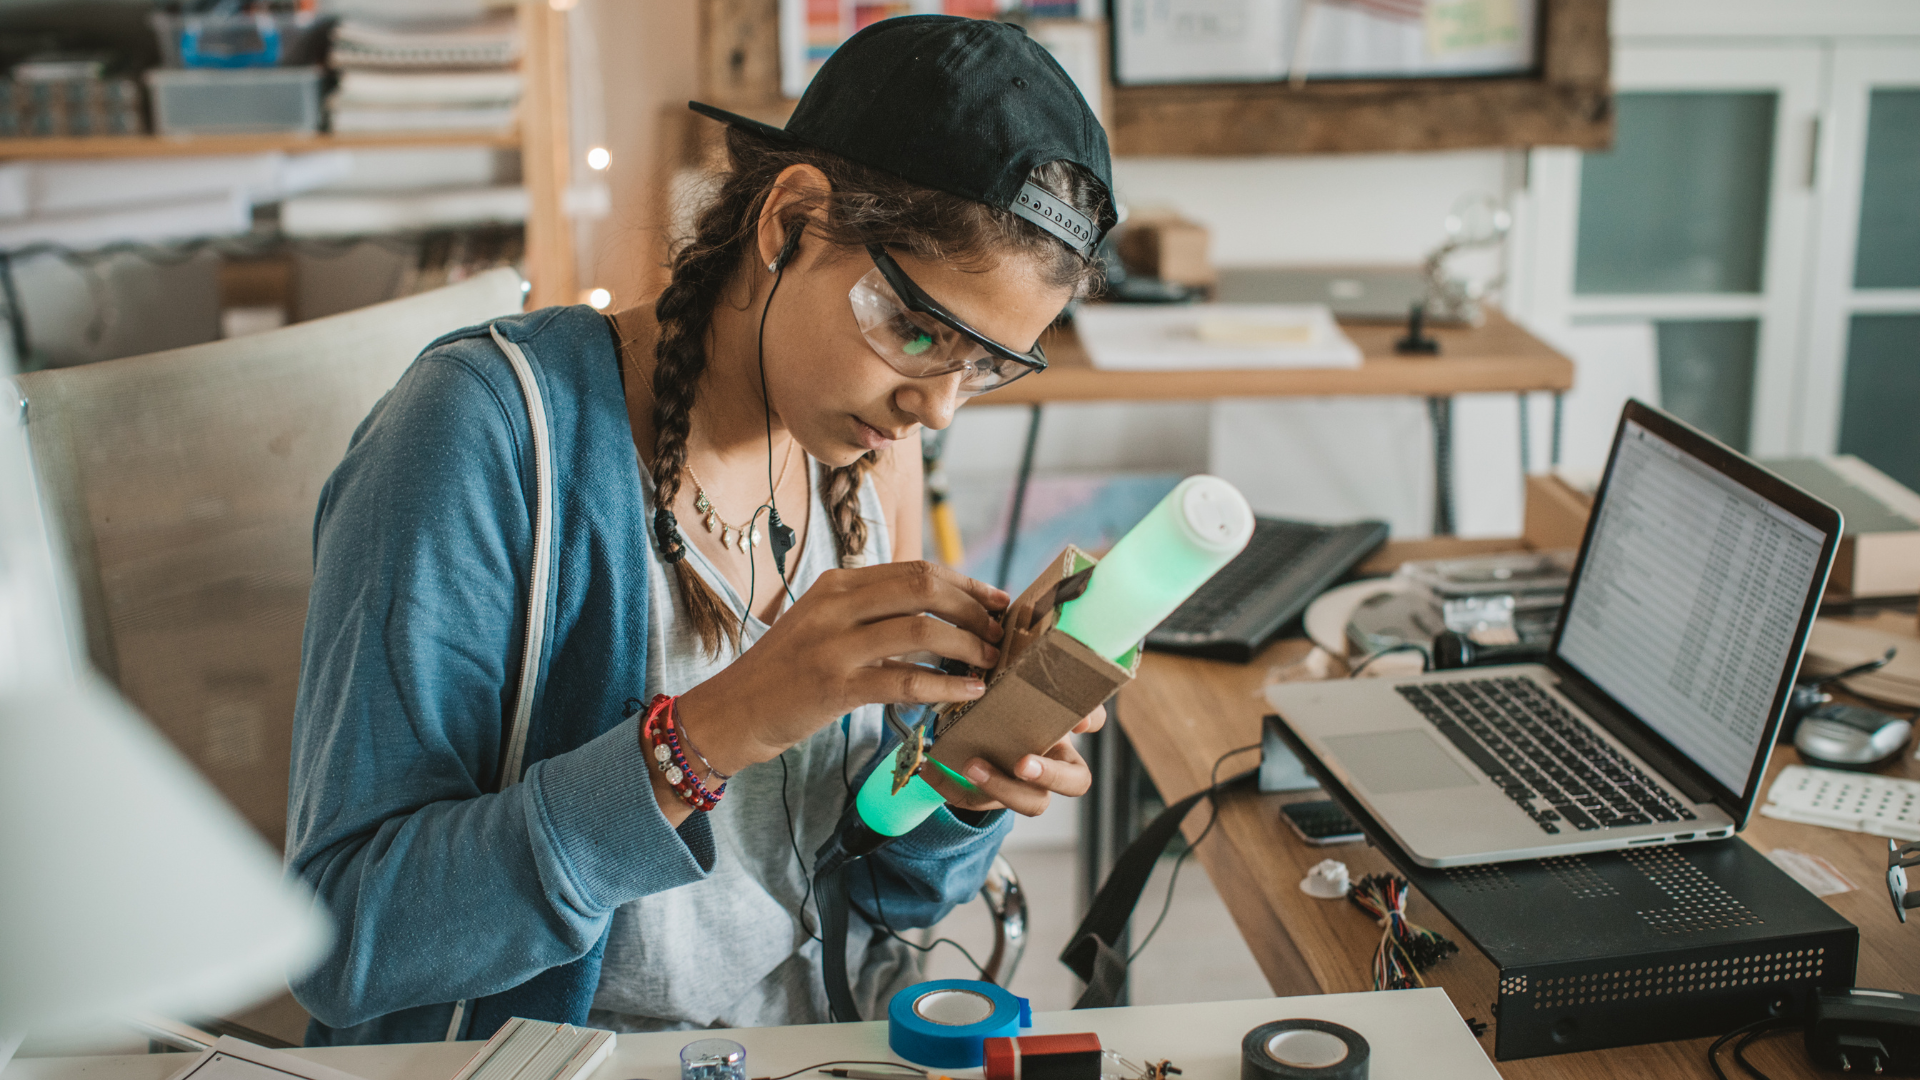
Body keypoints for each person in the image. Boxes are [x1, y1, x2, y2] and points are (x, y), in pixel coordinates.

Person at [285, 14, 1116, 1045]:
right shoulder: (480, 432)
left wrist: (956, 785)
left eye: (985, 365)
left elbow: (872, 901)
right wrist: (711, 733)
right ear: (793, 220)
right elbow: (342, 941)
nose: (938, 410)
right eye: (917, 330)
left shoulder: (864, 462)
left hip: (806, 1043)